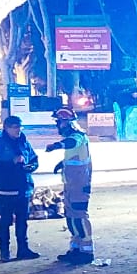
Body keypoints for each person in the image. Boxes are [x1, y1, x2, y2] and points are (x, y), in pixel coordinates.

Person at [45, 107, 95, 264]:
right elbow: (74, 156)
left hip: (80, 186)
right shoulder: (74, 138)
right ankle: (75, 248)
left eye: (59, 122)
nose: (57, 125)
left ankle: (87, 251)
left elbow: (71, 143)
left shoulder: (78, 137)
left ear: (66, 123)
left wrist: (55, 146)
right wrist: (62, 164)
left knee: (79, 217)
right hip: (71, 185)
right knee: (71, 217)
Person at [0, 115, 40, 261]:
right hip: (6, 189)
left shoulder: (24, 142)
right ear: (6, 128)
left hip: (24, 188)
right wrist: (12, 162)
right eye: (15, 127)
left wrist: (31, 167)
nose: (18, 130)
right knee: (5, 221)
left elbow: (34, 159)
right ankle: (4, 251)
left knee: (22, 221)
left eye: (20, 127)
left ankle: (23, 249)